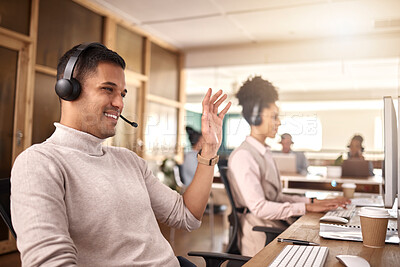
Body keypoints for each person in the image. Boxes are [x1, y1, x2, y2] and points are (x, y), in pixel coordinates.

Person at [11, 43, 231, 266]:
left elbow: (187, 216)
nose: (120, 103)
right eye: (108, 89)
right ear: (68, 89)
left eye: (122, 94)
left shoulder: (129, 161)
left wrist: (210, 148)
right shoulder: (39, 163)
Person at [227, 76, 350, 256]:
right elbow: (260, 207)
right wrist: (306, 208)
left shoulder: (264, 152)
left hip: (272, 226)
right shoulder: (243, 156)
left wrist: (312, 201)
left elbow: (276, 197)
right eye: (274, 117)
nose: (279, 122)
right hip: (260, 236)